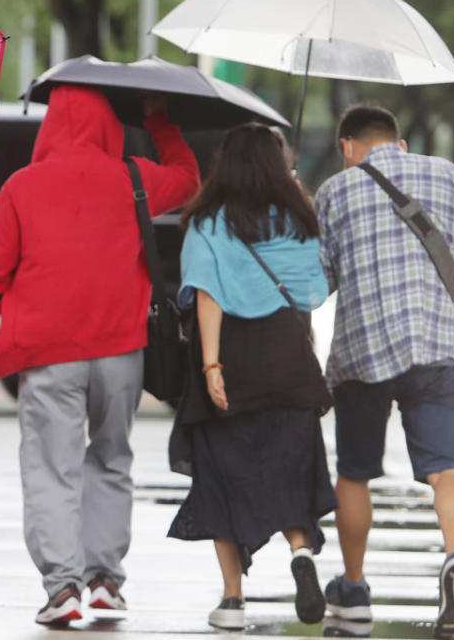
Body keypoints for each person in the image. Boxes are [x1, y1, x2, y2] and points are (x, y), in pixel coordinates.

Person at [0, 84, 200, 625]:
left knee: (51, 468)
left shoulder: (23, 186)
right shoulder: (133, 176)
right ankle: (105, 579)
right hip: (120, 350)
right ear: (109, 125)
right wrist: (159, 123)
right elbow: (187, 178)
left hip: (48, 353)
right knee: (112, 459)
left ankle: (63, 588)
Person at [315, 103, 454, 639]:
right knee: (446, 467)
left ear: (346, 148)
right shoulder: (445, 173)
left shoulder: (334, 192)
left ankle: (356, 589)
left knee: (355, 473)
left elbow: (317, 283)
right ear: (399, 144)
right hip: (435, 343)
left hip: (362, 351)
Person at [167, 123, 336, 631]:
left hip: (234, 361)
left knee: (223, 475)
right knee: (289, 467)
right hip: (286, 355)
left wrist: (212, 365)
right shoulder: (298, 220)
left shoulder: (209, 223)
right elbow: (314, 293)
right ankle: (301, 553)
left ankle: (233, 599)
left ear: (227, 164)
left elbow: (207, 294)